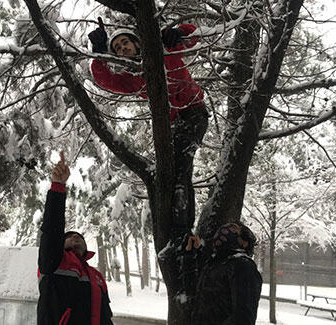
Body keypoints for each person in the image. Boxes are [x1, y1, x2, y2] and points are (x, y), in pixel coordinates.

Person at [87, 19, 209, 236]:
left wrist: (177, 32)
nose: (123, 48)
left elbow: (194, 35)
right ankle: (175, 227)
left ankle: (183, 230)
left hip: (193, 114)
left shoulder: (164, 50)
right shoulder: (132, 79)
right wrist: (99, 54)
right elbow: (106, 81)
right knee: (171, 172)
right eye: (117, 48)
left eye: (125, 42)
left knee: (180, 168)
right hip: (171, 124)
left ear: (137, 43)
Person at [37, 152, 113, 325]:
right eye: (69, 237)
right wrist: (58, 186)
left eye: (79, 237)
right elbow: (51, 231)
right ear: (60, 245)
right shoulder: (53, 262)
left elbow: (105, 316)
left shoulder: (96, 276)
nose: (75, 238)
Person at [184, 222, 263, 325]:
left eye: (234, 228)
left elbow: (243, 317)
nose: (225, 229)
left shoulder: (243, 266)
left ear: (244, 242)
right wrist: (190, 255)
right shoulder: (215, 264)